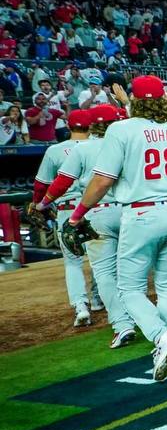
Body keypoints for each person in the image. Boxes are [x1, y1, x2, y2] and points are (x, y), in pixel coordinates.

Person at [68, 76, 167, 381]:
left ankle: (161, 337)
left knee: (129, 288)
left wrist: (77, 215)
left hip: (142, 213)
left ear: (133, 100)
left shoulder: (120, 129)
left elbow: (102, 181)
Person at [41, 104, 132, 344]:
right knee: (131, 268)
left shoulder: (78, 149)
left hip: (93, 211)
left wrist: (41, 204)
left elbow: (60, 183)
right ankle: (141, 314)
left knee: (102, 271)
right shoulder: (127, 142)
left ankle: (120, 323)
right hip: (129, 210)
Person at [32, 108, 95, 326]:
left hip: (68, 209)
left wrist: (37, 204)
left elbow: (41, 184)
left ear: (68, 126)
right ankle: (98, 299)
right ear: (92, 126)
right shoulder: (101, 145)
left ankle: (81, 307)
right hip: (98, 206)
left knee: (72, 262)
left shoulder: (55, 150)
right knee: (102, 258)